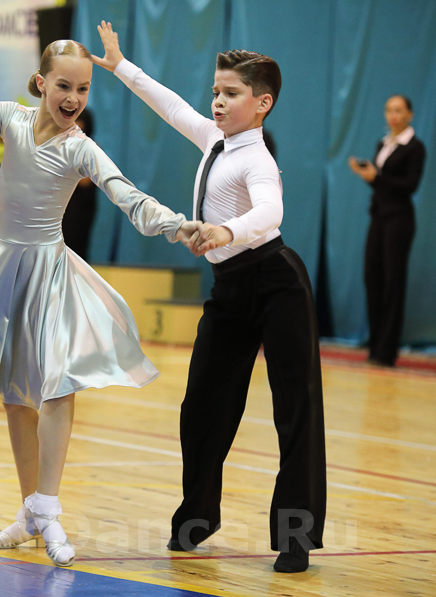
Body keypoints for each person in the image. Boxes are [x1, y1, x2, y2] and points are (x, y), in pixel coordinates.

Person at [0, 39, 198, 567]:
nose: (73, 98)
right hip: (0, 264)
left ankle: (47, 505)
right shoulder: (12, 118)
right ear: (42, 83)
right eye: (64, 86)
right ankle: (30, 512)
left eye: (83, 88)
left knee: (58, 384)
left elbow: (126, 194)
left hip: (49, 272)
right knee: (16, 394)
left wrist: (178, 226)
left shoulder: (80, 148)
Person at [93, 22, 326, 573]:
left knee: (295, 411)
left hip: (277, 283)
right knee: (201, 407)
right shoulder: (213, 139)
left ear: (262, 103)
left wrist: (227, 230)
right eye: (216, 91)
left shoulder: (257, 158)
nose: (218, 101)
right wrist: (121, 65)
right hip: (230, 290)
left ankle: (295, 537)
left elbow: (271, 211)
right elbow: (170, 105)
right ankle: (197, 518)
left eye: (232, 93)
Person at [348, 95, 426, 367]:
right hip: (379, 217)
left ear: (410, 115)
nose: (393, 115)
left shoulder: (415, 147)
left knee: (393, 282)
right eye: (389, 110)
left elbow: (410, 186)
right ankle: (375, 344)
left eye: (399, 110)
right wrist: (368, 176)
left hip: (399, 220)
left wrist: (378, 177)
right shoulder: (383, 143)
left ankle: (387, 351)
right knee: (373, 278)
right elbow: (382, 185)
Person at [61, 108, 97, 259]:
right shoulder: (61, 144)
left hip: (80, 208)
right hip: (61, 205)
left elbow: (85, 181)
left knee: (76, 248)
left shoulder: (91, 148)